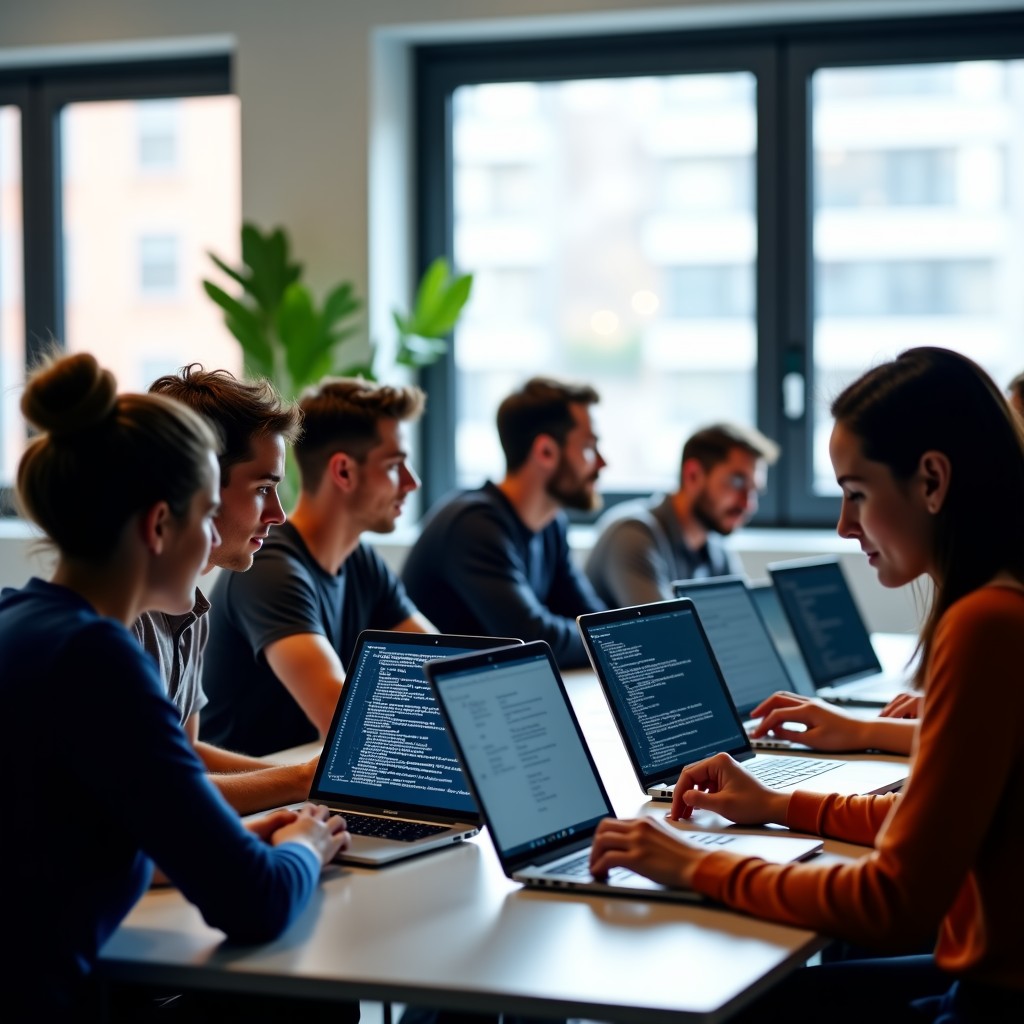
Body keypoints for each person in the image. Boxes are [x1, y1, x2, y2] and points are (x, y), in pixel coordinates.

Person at [589, 347, 1024, 1023]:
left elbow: (891, 901)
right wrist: (777, 806)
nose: (845, 526)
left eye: (856, 494)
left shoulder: (987, 625)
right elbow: (931, 827)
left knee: (738, 1002)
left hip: (995, 1001)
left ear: (932, 481)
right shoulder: (1004, 604)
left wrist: (690, 865)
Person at [0, 353, 349, 1019]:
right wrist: (306, 841)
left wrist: (232, 832)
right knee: (315, 999)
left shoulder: (21, 620)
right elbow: (257, 903)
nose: (218, 531)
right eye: (209, 511)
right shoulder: (97, 659)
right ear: (161, 527)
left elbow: (96, 829)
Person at [200, 377, 434, 757]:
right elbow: (347, 724)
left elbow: (444, 669)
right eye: (395, 466)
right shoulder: (269, 567)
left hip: (299, 788)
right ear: (342, 471)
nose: (412, 483)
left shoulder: (359, 560)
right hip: (258, 802)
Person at [132, 365, 315, 814]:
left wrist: (300, 783)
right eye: (263, 489)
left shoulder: (190, 608)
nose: (278, 514)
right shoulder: (121, 618)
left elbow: (186, 757)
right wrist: (299, 783)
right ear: (200, 485)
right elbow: (153, 794)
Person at [401, 376, 606, 668]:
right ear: (545, 451)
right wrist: (604, 640)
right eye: (589, 447)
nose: (601, 463)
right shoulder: (473, 525)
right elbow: (532, 639)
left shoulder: (551, 525)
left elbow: (592, 619)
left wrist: (603, 637)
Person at [585, 422, 779, 607]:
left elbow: (742, 623)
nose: (748, 504)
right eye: (737, 483)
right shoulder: (631, 535)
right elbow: (667, 635)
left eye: (754, 491)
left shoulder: (716, 549)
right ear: (692, 475)